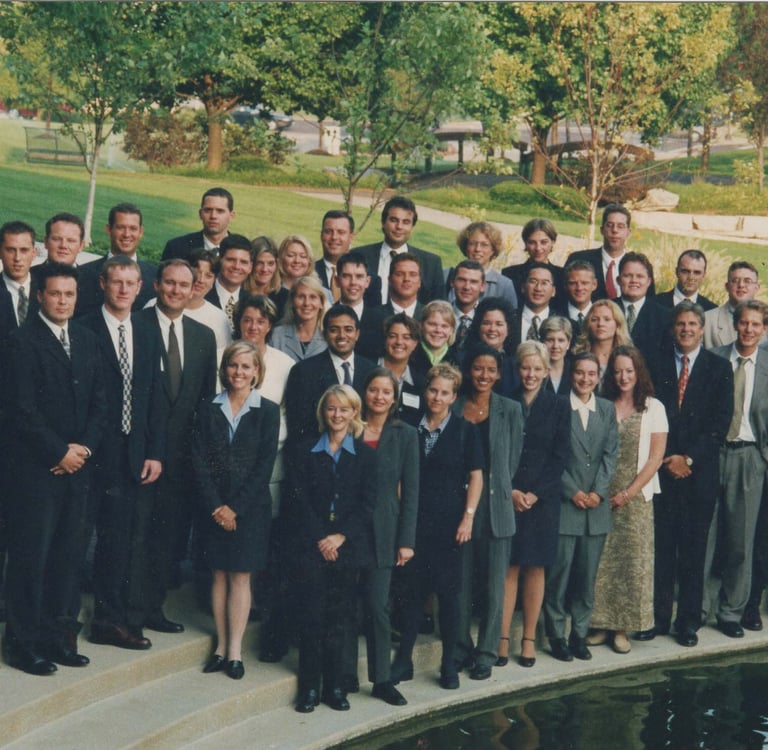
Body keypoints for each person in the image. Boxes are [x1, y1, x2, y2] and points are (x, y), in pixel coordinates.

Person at [3, 263, 107, 675]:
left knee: (67, 558)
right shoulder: (20, 342)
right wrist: (57, 452)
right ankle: (23, 644)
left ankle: (55, 637)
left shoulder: (85, 338)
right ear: (40, 296)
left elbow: (101, 401)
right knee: (33, 558)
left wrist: (84, 449)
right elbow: (20, 410)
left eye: (69, 294)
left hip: (78, 468)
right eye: (55, 294)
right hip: (37, 471)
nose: (63, 301)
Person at [81, 257, 166, 652]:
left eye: (130, 283)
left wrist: (153, 451)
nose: (123, 289)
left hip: (133, 457)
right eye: (116, 282)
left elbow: (153, 397)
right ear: (103, 283)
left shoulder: (147, 333)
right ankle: (62, 621)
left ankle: (110, 621)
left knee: (120, 544)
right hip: (90, 456)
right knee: (76, 541)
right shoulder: (83, 328)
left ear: (140, 287)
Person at [284, 385, 377, 713]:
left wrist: (340, 537)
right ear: (323, 412)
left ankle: (335, 687)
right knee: (311, 616)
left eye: (344, 409)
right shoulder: (303, 450)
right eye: (331, 409)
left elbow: (368, 504)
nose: (337, 415)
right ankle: (309, 687)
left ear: (354, 413)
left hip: (347, 548)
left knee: (341, 618)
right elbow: (297, 501)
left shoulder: (366, 455)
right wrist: (321, 538)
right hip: (311, 546)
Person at [391, 364, 483, 691]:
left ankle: (448, 664)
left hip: (450, 526)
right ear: (425, 390)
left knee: (449, 596)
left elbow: (476, 476)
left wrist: (468, 516)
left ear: (454, 397)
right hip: (414, 523)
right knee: (411, 594)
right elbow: (399, 473)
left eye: (445, 393)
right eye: (433, 390)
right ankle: (403, 661)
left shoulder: (465, 430)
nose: (437, 397)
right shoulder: (409, 427)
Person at [137, 260, 218, 633]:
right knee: (133, 535)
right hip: (138, 455)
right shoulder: (137, 327)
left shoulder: (204, 336)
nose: (176, 290)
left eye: (183, 285)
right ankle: (123, 611)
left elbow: (203, 402)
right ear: (156, 285)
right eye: (169, 283)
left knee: (166, 540)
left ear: (193, 289)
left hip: (180, 460)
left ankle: (152, 609)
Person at [193, 342, 279, 680]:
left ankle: (234, 651)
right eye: (233, 366)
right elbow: (198, 461)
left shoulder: (269, 411)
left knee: (241, 576)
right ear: (224, 369)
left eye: (246, 367)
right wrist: (216, 506)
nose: (239, 373)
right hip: (213, 507)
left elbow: (264, 466)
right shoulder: (207, 408)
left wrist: (235, 508)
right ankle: (219, 647)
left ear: (256, 371)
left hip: (250, 509)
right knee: (218, 574)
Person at [651, 301, 733, 647]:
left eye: (692, 324)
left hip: (699, 474)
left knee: (694, 549)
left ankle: (687, 622)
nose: (686, 329)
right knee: (663, 548)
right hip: (663, 470)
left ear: (702, 329)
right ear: (673, 328)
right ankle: (656, 618)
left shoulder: (718, 368)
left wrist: (688, 458)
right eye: (680, 324)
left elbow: (719, 423)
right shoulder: (655, 365)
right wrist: (667, 458)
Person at [342, 368, 419, 707]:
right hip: (348, 530)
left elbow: (412, 492)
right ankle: (344, 675)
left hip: (385, 532)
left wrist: (406, 539)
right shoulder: (348, 427)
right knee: (346, 604)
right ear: (364, 393)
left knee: (377, 606)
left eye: (386, 391)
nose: (379, 396)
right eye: (373, 389)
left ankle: (382, 679)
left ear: (394, 397)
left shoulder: (405, 434)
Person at [588, 346, 668, 653]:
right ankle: (599, 624)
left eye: (629, 371)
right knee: (601, 561)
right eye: (619, 371)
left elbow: (656, 457)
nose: (624, 377)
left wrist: (627, 494)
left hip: (634, 497)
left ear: (639, 373)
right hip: (601, 493)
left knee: (629, 562)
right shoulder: (601, 403)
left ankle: (621, 628)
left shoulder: (653, 407)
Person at [497, 341, 570, 668]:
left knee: (535, 567)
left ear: (546, 371)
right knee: (509, 566)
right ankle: (501, 638)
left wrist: (535, 493)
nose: (530, 374)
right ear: (518, 368)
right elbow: (497, 452)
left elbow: (560, 457)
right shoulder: (504, 401)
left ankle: (527, 638)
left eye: (537, 369)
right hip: (508, 496)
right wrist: (511, 491)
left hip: (542, 500)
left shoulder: (557, 405)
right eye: (525, 367)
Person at [543, 352, 618, 662]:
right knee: (558, 577)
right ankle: (557, 636)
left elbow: (610, 454)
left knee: (586, 580)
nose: (585, 379)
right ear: (571, 375)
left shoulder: (606, 408)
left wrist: (599, 493)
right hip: (566, 506)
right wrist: (572, 491)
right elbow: (550, 456)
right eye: (579, 373)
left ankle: (579, 635)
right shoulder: (558, 406)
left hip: (595, 510)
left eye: (591, 374)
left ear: (598, 377)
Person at [453, 345, 523, 680]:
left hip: (496, 507)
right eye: (478, 369)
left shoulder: (510, 409)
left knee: (495, 585)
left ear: (498, 374)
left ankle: (486, 652)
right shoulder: (455, 406)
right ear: (469, 371)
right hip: (459, 508)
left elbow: (513, 458)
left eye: (490, 370)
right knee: (460, 582)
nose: (483, 375)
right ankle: (461, 647)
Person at [704, 301, 768, 638]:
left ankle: (730, 611)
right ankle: (698, 607)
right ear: (735, 325)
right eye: (744, 323)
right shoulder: (714, 357)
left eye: (755, 325)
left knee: (741, 539)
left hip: (749, 456)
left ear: (764, 329)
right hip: (714, 453)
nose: (748, 330)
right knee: (705, 533)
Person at [284, 303, 376, 448]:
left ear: (357, 334)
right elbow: (298, 429)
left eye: (348, 330)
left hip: (362, 461)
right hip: (318, 460)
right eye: (334, 330)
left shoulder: (372, 371)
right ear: (324, 334)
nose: (342, 336)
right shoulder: (303, 371)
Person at [353, 195, 444, 305]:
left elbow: (439, 310)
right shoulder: (359, 256)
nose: (399, 226)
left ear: (412, 227)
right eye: (393, 220)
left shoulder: (431, 264)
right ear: (383, 222)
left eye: (406, 222)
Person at [146, 248, 232, 357]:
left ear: (214, 282)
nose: (200, 280)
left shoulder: (219, 318)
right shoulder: (154, 304)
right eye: (196, 272)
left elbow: (221, 360)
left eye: (208, 276)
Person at [76, 203, 157, 317]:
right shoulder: (83, 274)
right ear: (109, 229)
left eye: (133, 228)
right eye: (120, 227)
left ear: (141, 232)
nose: (127, 234)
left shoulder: (155, 277)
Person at [568, 204, 655, 301]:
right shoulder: (578, 259)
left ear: (628, 232)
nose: (614, 230)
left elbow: (649, 303)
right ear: (602, 230)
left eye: (620, 226)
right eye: (610, 225)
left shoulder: (641, 266)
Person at [615, 252, 670, 374]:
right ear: (618, 280)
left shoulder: (664, 316)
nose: (634, 281)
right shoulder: (607, 309)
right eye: (628, 276)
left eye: (640, 276)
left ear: (649, 281)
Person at [449, 221, 517, 307]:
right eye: (472, 243)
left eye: (484, 245)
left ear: (493, 250)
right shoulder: (447, 276)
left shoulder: (504, 285)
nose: (477, 249)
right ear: (465, 247)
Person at [464, 296, 520, 397]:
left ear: (508, 329)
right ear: (478, 327)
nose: (492, 329)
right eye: (486, 323)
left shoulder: (515, 366)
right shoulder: (463, 360)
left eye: (499, 324)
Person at [162, 187, 235, 261]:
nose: (213, 216)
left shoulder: (243, 251)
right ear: (200, 214)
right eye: (208, 210)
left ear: (231, 216)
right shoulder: (176, 247)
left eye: (220, 211)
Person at [502, 218, 565, 303]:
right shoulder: (509, 274)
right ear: (525, 243)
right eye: (532, 242)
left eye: (544, 242)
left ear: (553, 242)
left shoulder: (562, 276)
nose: (538, 248)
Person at [270, 275, 328, 363]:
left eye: (312, 297)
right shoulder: (276, 336)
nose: (307, 303)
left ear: (321, 303)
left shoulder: (329, 336)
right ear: (292, 301)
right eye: (301, 297)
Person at [704, 262, 761, 349]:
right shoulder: (706, 321)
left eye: (747, 281)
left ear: (757, 287)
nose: (741, 285)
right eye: (735, 280)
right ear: (727, 286)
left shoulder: (765, 320)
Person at [204, 234, 253, 330]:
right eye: (231, 260)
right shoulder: (203, 295)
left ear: (250, 267)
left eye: (243, 262)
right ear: (219, 260)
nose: (237, 267)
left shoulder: (251, 301)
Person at [379, 313, 422, 423]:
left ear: (415, 344)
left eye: (406, 337)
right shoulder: (365, 370)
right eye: (393, 336)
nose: (399, 342)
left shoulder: (420, 383)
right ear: (385, 340)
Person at [572, 299, 632, 377]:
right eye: (594, 320)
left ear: (618, 325)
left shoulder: (629, 358)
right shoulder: (576, 356)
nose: (600, 324)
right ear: (588, 325)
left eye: (607, 319)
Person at [408, 300, 458, 383]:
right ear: (421, 325)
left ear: (452, 330)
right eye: (432, 324)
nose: (438, 330)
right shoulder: (409, 355)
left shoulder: (458, 361)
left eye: (444, 326)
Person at [448, 259, 486, 351]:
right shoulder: (442, 315)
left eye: (473, 282)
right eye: (462, 280)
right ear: (452, 282)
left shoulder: (485, 318)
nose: (467, 287)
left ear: (482, 287)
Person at [562, 259, 598, 342]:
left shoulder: (602, 315)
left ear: (594, 284)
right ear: (565, 285)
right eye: (573, 283)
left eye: (584, 283)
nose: (579, 288)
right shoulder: (556, 314)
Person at [540, 316, 573, 395]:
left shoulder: (574, 369)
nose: (555, 346)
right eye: (550, 340)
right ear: (542, 342)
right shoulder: (535, 370)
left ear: (568, 343)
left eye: (561, 340)